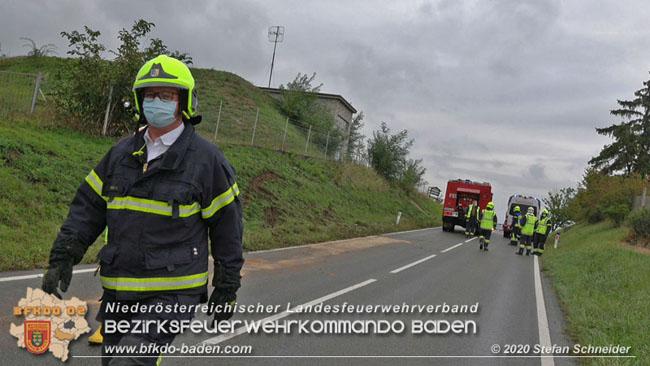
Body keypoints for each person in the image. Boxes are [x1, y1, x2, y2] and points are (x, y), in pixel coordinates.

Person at [41, 55, 244, 365]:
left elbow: (227, 226)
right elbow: (88, 209)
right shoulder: (121, 153)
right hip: (119, 290)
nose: (156, 101)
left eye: (166, 95)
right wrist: (63, 256)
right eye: (150, 94)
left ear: (183, 102)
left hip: (172, 292)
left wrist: (227, 283)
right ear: (139, 100)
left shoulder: (206, 159)